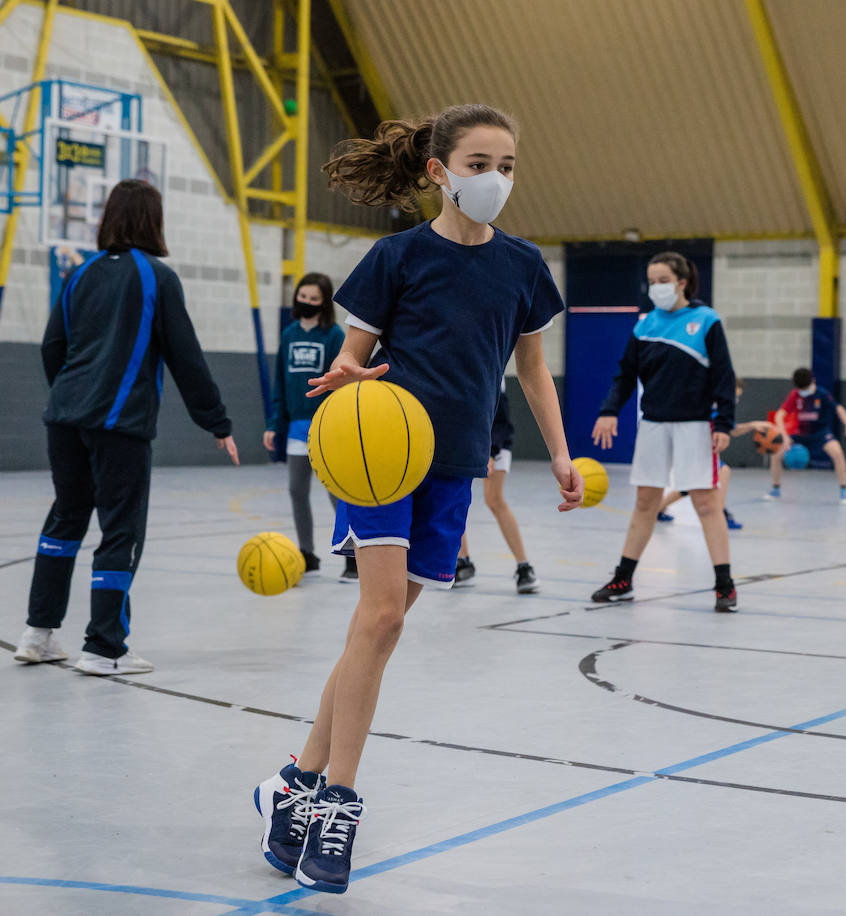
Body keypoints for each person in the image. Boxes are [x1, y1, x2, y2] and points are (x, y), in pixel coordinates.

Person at [251, 105, 582, 895]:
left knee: (380, 627)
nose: (495, 178)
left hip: (455, 462)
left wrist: (563, 454)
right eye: (478, 163)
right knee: (383, 615)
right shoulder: (395, 257)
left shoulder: (524, 264)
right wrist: (347, 380)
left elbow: (532, 370)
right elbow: (350, 360)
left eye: (506, 164)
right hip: (379, 457)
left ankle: (292, 783)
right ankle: (338, 800)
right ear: (438, 172)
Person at [14, 179, 238, 675]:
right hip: (118, 423)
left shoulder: (79, 274)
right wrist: (216, 421)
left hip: (64, 417)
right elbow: (186, 358)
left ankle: (37, 634)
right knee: (121, 529)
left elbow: (53, 347)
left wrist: (70, 398)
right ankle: (104, 647)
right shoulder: (156, 277)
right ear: (152, 220)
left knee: (66, 519)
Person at [591, 251, 739, 611]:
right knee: (645, 503)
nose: (656, 288)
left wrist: (724, 424)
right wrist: (609, 410)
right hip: (654, 424)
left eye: (663, 281)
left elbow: (724, 376)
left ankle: (725, 585)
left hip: (695, 425)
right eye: (652, 282)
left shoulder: (706, 320)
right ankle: (623, 579)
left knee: (707, 504)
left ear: (682, 282)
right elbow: (625, 376)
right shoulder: (645, 326)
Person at [263, 273, 358, 580]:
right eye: (302, 296)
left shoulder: (332, 336)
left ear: (323, 303)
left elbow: (339, 383)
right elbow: (280, 382)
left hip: (325, 426)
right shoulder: (289, 334)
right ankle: (307, 553)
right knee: (296, 490)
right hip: (294, 428)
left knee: (335, 492)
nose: (305, 302)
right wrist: (273, 424)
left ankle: (353, 554)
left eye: (313, 299)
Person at [454, 382, 541, 593]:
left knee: (494, 500)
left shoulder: (491, 369)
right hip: (462, 440)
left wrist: (490, 452)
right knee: (454, 499)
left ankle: (524, 567)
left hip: (494, 442)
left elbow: (500, 418)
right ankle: (462, 563)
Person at [656, 377, 773, 530]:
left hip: (695, 449)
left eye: (737, 397)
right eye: (733, 396)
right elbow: (732, 429)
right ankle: (721, 513)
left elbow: (731, 428)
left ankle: (657, 509)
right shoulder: (707, 405)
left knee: (689, 487)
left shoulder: (719, 408)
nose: (734, 400)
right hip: (690, 448)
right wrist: (752, 425)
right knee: (723, 471)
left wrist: (752, 425)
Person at [766, 367, 846, 503]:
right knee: (775, 454)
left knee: (838, 453)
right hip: (799, 433)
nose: (803, 392)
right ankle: (775, 488)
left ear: (813, 381)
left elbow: (838, 408)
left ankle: (844, 490)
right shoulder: (795, 395)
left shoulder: (822, 394)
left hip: (820, 433)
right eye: (801, 389)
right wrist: (784, 436)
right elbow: (779, 415)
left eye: (805, 388)